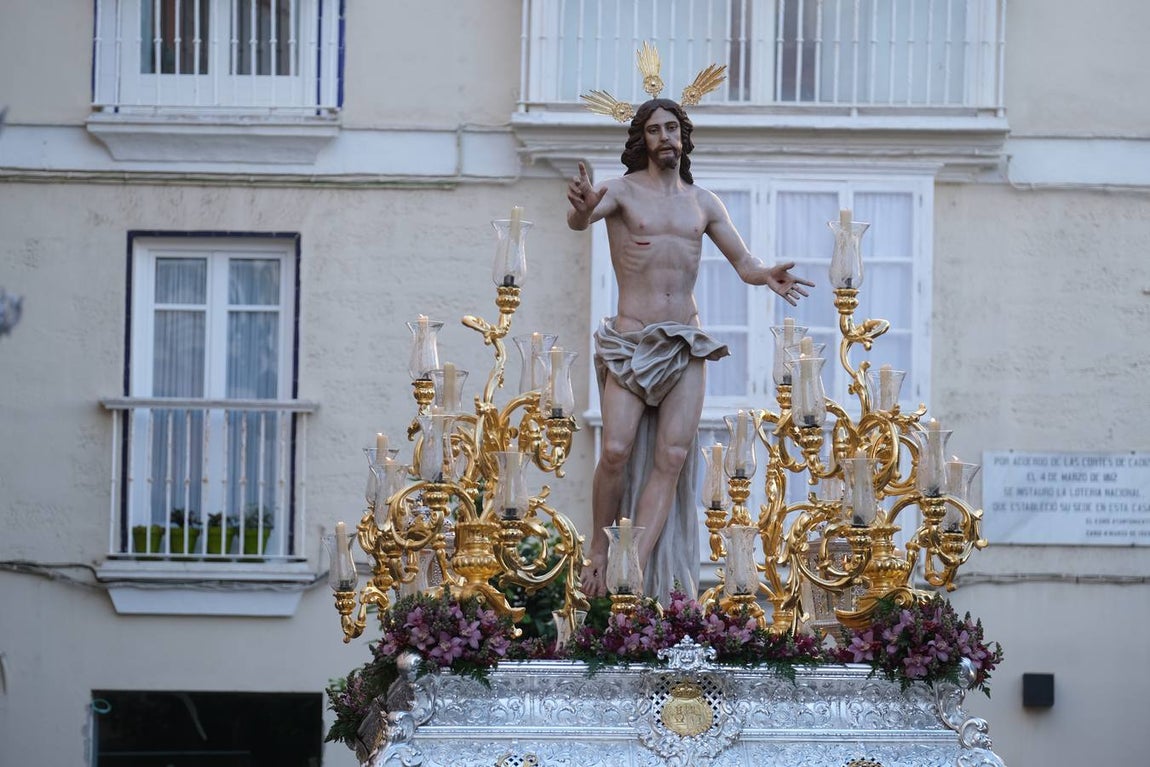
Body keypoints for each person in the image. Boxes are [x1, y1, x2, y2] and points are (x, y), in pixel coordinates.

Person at [567, 98, 814, 601]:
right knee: (614, 449)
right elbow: (581, 220)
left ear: (683, 137)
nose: (665, 137)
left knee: (673, 457)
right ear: (642, 140)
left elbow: (744, 263)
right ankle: (599, 549)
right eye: (655, 130)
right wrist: (583, 207)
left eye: (672, 128)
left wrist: (766, 274)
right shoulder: (620, 192)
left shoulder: (704, 203)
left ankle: (632, 567)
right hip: (632, 340)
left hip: (685, 341)